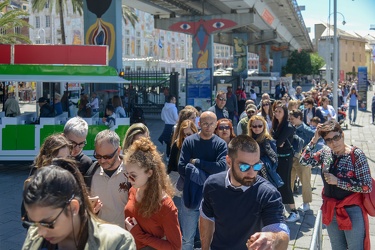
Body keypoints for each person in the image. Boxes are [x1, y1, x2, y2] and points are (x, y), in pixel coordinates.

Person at [199, 135, 289, 250]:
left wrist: (273, 238)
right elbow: (206, 217)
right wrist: (205, 248)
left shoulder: (268, 193)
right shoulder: (212, 184)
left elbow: (282, 234)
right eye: (244, 167)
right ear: (229, 161)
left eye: (257, 166)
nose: (252, 173)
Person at [22, 159, 136, 250]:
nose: (40, 232)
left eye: (48, 223)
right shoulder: (34, 235)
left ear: (73, 208)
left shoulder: (117, 242)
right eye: (33, 223)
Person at [300, 120, 372, 250]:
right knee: (337, 247)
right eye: (328, 140)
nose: (333, 142)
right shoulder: (326, 153)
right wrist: (314, 139)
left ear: (342, 134)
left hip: (352, 210)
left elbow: (367, 186)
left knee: (355, 247)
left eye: (336, 137)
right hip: (331, 209)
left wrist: (339, 182)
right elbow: (304, 161)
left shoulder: (356, 155)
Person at [178, 111, 227, 250]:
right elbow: (182, 167)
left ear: (216, 124)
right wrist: (207, 173)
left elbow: (221, 168)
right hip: (190, 194)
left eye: (211, 124)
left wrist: (197, 163)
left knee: (209, 239)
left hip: (212, 197)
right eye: (205, 123)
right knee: (187, 238)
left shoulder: (220, 144)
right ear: (199, 124)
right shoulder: (189, 141)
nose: (208, 126)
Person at [124, 137, 182, 249]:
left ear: (150, 173)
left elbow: (175, 247)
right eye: (127, 174)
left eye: (133, 175)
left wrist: (140, 235)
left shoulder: (166, 206)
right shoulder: (133, 190)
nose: (129, 179)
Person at [84, 130, 130, 228]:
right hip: (101, 236)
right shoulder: (90, 174)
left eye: (107, 157)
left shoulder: (131, 172)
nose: (102, 160)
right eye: (98, 156)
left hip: (127, 236)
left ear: (118, 151)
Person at [272, 103, 300, 222]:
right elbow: (275, 142)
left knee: (285, 184)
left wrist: (275, 142)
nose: (277, 113)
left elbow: (277, 143)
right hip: (277, 157)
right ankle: (281, 209)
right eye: (275, 111)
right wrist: (276, 142)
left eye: (279, 111)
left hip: (286, 158)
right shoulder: (276, 125)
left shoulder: (288, 126)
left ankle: (294, 211)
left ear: (285, 113)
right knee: (278, 184)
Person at [289, 110, 315, 212]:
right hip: (292, 158)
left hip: (303, 158)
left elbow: (317, 141)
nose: (291, 120)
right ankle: (289, 202)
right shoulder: (291, 128)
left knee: (305, 181)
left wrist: (311, 156)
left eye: (292, 119)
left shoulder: (307, 130)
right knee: (289, 180)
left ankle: (306, 203)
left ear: (299, 117)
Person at [247, 115, 278, 184]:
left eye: (260, 126)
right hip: (249, 170)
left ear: (264, 126)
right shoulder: (247, 141)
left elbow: (274, 158)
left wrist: (260, 162)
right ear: (250, 127)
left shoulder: (268, 140)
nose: (257, 128)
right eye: (254, 126)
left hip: (265, 173)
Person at [158, 95, 179, 159]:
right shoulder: (173, 108)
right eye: (174, 99)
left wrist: (167, 120)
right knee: (174, 142)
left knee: (168, 142)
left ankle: (168, 156)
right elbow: (176, 118)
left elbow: (162, 117)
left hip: (167, 125)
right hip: (173, 126)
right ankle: (172, 156)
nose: (175, 101)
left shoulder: (164, 107)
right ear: (171, 100)